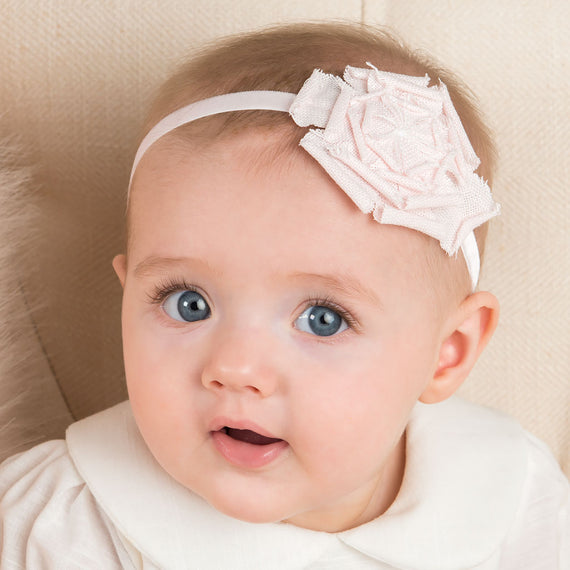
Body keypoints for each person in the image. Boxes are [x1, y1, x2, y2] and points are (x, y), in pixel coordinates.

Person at [0, 22, 568, 569]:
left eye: (323, 319)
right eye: (187, 303)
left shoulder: (516, 500)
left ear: (448, 352)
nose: (235, 368)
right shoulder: (57, 523)